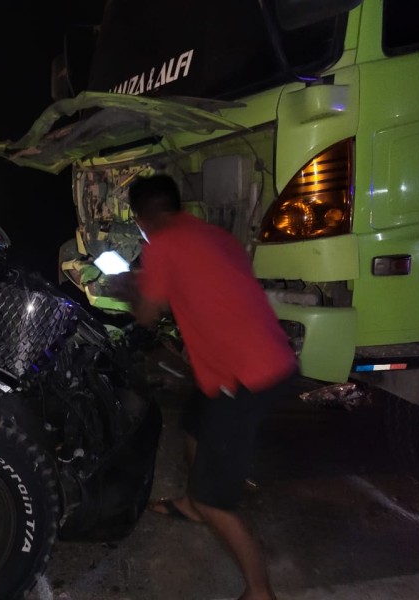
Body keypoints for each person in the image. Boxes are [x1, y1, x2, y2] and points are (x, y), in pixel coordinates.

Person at [112, 174, 298, 600]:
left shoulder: (162, 245)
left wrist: (126, 288)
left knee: (218, 497)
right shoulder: (213, 236)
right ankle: (195, 506)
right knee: (195, 424)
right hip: (260, 361)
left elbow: (144, 314)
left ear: (142, 219)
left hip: (247, 377)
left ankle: (259, 591)